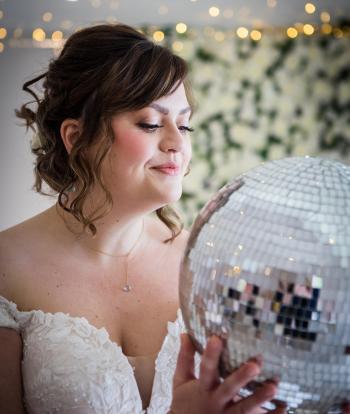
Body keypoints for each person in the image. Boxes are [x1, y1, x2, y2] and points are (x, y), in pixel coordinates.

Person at [0, 23, 347, 414]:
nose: (177, 143)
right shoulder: (6, 269)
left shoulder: (212, 267)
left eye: (184, 124)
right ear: (76, 137)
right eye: (150, 122)